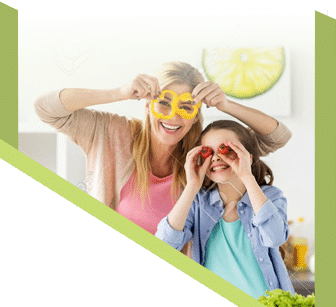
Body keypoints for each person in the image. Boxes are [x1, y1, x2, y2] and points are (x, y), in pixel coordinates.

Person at [34, 61, 292, 237]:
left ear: (195, 114)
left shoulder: (200, 154)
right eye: (164, 104)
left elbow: (277, 137)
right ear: (148, 105)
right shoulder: (113, 133)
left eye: (186, 107)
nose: (173, 117)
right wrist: (120, 92)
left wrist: (226, 104)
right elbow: (47, 109)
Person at [155, 120, 295, 298]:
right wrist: (191, 186)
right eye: (208, 152)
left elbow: (274, 237)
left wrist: (246, 175)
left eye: (226, 149)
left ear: (248, 156)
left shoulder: (271, 196)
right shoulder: (198, 203)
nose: (215, 157)